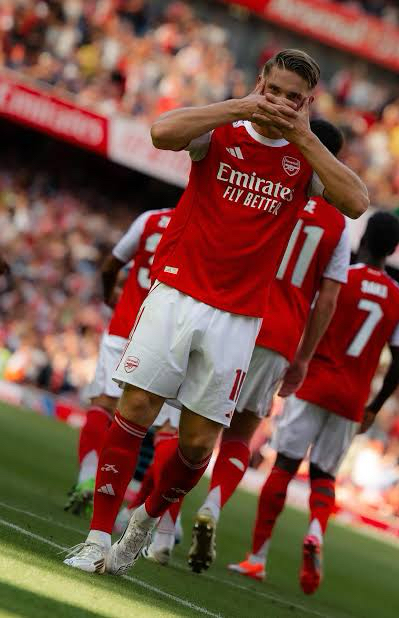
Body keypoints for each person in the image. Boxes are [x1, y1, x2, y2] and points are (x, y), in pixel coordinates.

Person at [64, 48, 368, 575]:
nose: (280, 103)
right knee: (135, 407)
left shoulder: (305, 158)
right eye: (274, 91)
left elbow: (357, 201)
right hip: (176, 292)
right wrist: (241, 106)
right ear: (260, 84)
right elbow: (161, 132)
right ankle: (95, 540)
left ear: (307, 104)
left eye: (293, 98)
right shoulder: (222, 130)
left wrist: (304, 136)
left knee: (198, 444)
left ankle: (144, 523)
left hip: (239, 316)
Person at [139, 119, 351, 571]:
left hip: (235, 310)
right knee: (240, 434)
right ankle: (212, 506)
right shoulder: (336, 222)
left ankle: (163, 531)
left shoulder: (272, 179)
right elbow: (329, 298)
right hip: (280, 335)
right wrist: (303, 357)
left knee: (182, 426)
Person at [229, 212, 399, 595]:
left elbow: (312, 314)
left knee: (285, 465)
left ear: (364, 238)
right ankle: (315, 529)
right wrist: (374, 406)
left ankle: (257, 558)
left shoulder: (341, 278)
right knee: (324, 475)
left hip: (314, 384)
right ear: (395, 250)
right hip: (352, 398)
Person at [64, 207, 178, 515]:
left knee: (103, 405)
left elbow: (110, 266)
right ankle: (147, 515)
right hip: (165, 337)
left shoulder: (150, 219)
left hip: (124, 325)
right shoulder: (204, 226)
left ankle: (88, 479)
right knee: (167, 431)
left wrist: (109, 297)